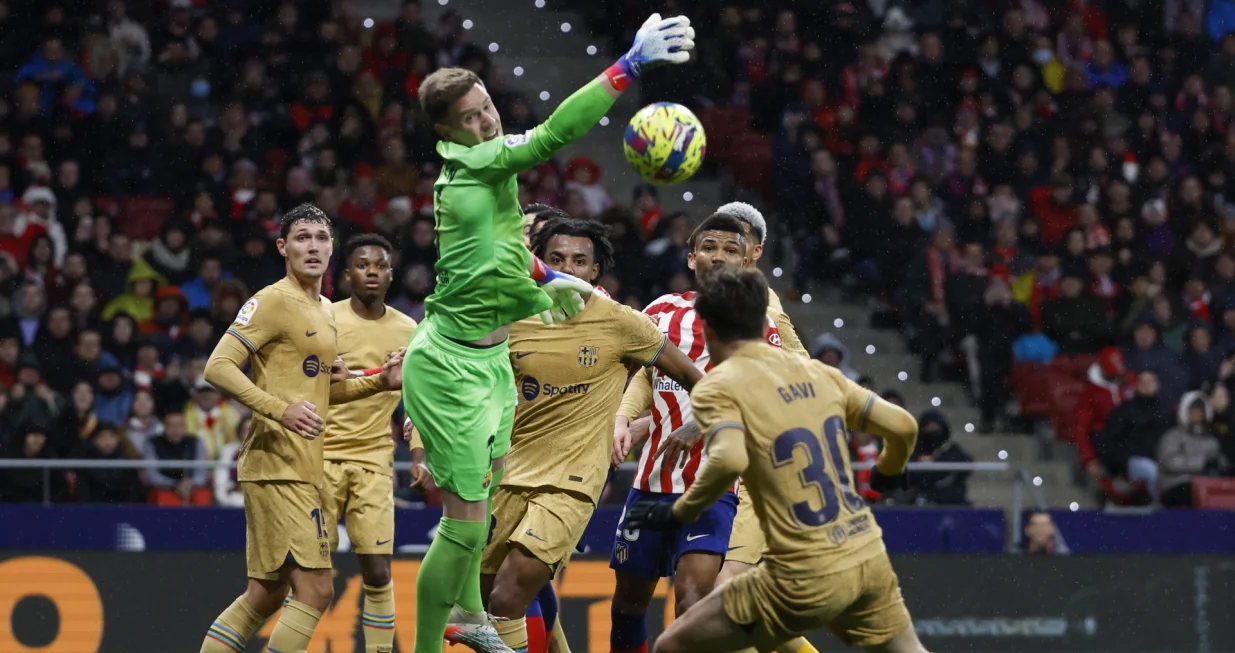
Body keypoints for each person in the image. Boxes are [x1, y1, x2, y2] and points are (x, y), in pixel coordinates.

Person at [402, 15, 695, 653]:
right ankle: (432, 641)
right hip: (454, 364)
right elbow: (557, 132)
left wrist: (547, 276)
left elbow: (503, 251)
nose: (488, 123)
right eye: (471, 119)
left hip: (488, 370)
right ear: (447, 133)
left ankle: (473, 616)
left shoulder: (475, 174)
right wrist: (626, 68)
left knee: (483, 516)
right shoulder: (481, 165)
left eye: (487, 107)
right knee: (463, 529)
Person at [624, 267, 927, 653]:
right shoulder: (821, 374)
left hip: (801, 572)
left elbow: (729, 459)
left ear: (709, 332)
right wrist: (888, 470)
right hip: (865, 551)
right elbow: (903, 426)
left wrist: (679, 510)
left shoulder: (721, 385)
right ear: (763, 322)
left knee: (674, 645)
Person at [481, 217, 703, 653]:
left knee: (508, 597)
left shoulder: (622, 323)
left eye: (580, 261)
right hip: (510, 475)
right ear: (539, 264)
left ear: (595, 270)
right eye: (557, 258)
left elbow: (699, 380)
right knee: (487, 599)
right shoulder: (513, 318)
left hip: (572, 483)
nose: (569, 268)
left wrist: (698, 421)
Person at [198, 204, 403, 653]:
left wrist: (379, 382)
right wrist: (279, 409)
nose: (313, 247)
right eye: (302, 237)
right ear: (283, 247)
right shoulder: (272, 300)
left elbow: (325, 394)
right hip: (276, 464)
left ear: (331, 249)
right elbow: (218, 367)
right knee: (316, 589)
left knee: (266, 593)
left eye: (321, 238)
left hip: (304, 466)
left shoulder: (324, 309)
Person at [608, 214, 785, 653]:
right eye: (709, 247)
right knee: (628, 606)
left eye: (730, 249)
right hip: (650, 484)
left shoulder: (760, 323)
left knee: (691, 602)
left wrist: (701, 421)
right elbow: (643, 375)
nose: (718, 256)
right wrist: (623, 418)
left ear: (745, 261)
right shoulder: (661, 312)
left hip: (714, 488)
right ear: (691, 258)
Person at [321, 234, 418, 653]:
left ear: (391, 274)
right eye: (363, 265)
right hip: (320, 457)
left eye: (380, 265)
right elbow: (315, 388)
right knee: (311, 575)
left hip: (375, 460)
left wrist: (419, 451)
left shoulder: (409, 330)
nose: (372, 272)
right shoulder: (325, 319)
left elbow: (418, 399)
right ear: (347, 275)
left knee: (378, 572)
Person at [1157, 391, 1230, 506]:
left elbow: (1221, 461)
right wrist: (1202, 463)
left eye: (1200, 411)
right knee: (1190, 493)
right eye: (1192, 410)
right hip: (1177, 485)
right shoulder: (1172, 436)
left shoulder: (1211, 440)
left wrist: (1217, 463)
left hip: (1206, 486)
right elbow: (1170, 462)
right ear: (1184, 412)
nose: (1196, 414)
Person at [143, 410, 212, 506]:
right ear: (164, 426)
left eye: (180, 425)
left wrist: (190, 484)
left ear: (186, 426)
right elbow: (152, 475)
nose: (176, 430)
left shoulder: (196, 442)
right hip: (164, 487)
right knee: (165, 499)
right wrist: (174, 484)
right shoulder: (152, 443)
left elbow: (201, 472)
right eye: (171, 425)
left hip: (191, 487)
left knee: (203, 496)